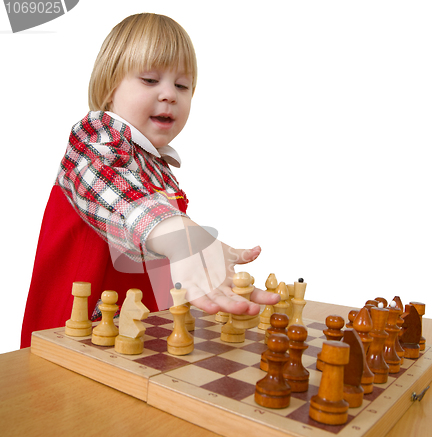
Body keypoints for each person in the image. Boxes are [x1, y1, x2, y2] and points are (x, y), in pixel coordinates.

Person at [20, 13, 279, 348]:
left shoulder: (157, 167)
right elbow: (122, 199)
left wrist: (202, 263)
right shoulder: (94, 142)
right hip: (72, 332)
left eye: (182, 86)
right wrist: (184, 240)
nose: (169, 94)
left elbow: (156, 252)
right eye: (149, 80)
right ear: (110, 87)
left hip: (132, 332)